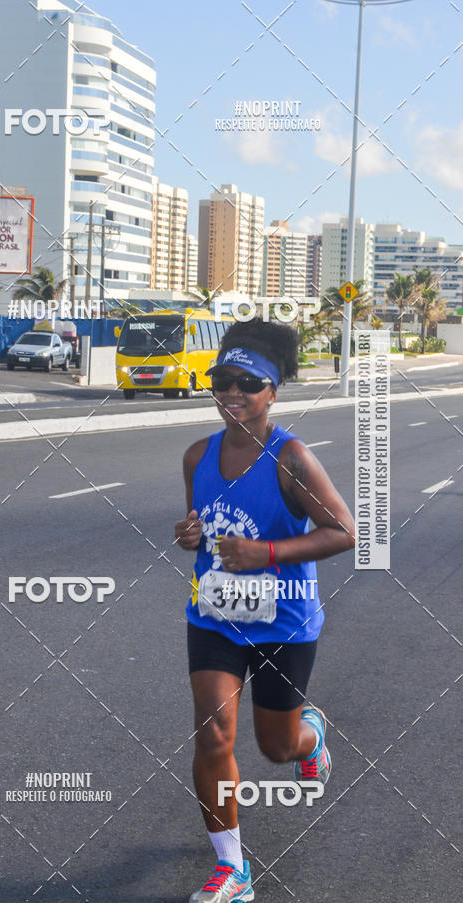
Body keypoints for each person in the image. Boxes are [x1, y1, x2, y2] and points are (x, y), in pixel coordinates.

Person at [174, 319, 355, 903]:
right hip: (216, 616)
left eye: (246, 382)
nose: (231, 392)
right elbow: (204, 530)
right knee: (213, 734)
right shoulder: (198, 455)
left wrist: (267, 552)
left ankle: (312, 735)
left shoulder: (292, 458)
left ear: (272, 391)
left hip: (285, 620)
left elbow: (344, 533)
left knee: (276, 747)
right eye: (221, 379)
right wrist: (192, 536)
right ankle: (233, 869)